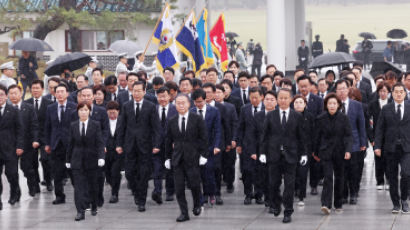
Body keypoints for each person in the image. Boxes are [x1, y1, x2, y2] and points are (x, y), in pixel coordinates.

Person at [259, 88, 307, 223]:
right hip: (274, 155)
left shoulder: (297, 116)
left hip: (291, 155)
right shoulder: (270, 115)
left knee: (290, 185)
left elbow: (301, 137)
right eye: (281, 98)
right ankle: (276, 203)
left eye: (286, 98)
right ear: (277, 100)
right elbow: (265, 136)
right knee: (273, 183)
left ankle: (288, 211)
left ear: (290, 99)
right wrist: (262, 152)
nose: (283, 100)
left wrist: (303, 154)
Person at [116, 81, 161, 212]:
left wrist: (157, 144)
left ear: (144, 91)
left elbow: (156, 127)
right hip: (129, 145)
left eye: (138, 91)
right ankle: (136, 191)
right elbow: (121, 127)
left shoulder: (151, 106)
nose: (136, 93)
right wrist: (119, 144)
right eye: (134, 91)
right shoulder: (126, 106)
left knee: (144, 174)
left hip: (145, 146)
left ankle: (142, 201)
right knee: (129, 173)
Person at [164, 94, 208, 222]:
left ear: (189, 104)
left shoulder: (197, 119)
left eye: (183, 103)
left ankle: (197, 204)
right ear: (175, 105)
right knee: (178, 188)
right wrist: (167, 158)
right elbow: (168, 140)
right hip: (177, 158)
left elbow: (204, 138)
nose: (181, 105)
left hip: (193, 157)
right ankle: (184, 212)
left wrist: (204, 155)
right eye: (178, 103)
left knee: (194, 185)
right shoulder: (172, 120)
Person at [374, 83, 410, 214]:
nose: (399, 94)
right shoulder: (386, 109)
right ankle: (395, 203)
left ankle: (404, 199)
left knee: (406, 173)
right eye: (396, 92)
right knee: (392, 177)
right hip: (390, 148)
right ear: (392, 93)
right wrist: (377, 146)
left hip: (407, 147)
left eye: (401, 92)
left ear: (405, 94)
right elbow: (380, 128)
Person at [314, 93, 352, 214]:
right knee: (328, 177)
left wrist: (348, 150)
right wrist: (315, 152)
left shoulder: (344, 118)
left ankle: (338, 203)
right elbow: (317, 137)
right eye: (329, 103)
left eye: (334, 103)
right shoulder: (320, 118)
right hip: (326, 152)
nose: (332, 106)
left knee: (340, 178)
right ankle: (326, 204)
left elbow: (348, 135)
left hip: (340, 151)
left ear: (338, 105)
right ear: (326, 105)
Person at [66, 102, 105, 221]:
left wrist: (101, 157)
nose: (83, 112)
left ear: (89, 112)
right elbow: (70, 144)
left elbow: (99, 142)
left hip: (92, 160)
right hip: (77, 160)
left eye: (86, 110)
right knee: (78, 187)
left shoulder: (95, 125)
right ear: (77, 112)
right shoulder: (73, 125)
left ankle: (94, 204)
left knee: (93, 185)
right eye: (81, 110)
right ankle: (80, 211)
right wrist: (68, 160)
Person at [335, 79, 366, 205]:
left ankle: (353, 193)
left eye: (344, 88)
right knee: (342, 170)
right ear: (336, 91)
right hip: (338, 142)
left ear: (348, 90)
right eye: (339, 89)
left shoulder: (357, 105)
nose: (341, 91)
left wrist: (363, 142)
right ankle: (343, 194)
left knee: (353, 169)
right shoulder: (333, 104)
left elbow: (361, 125)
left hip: (354, 141)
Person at [45, 83, 77, 205]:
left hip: (70, 146)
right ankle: (59, 196)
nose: (59, 94)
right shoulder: (51, 108)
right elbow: (47, 127)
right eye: (57, 91)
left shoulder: (74, 107)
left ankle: (80, 195)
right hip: (56, 145)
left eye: (62, 91)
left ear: (67, 93)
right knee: (57, 173)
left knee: (73, 172)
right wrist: (47, 143)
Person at [191, 88, 222, 206]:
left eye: (200, 101)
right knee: (198, 174)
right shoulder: (192, 111)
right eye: (196, 102)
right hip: (195, 148)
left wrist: (217, 145)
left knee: (209, 172)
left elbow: (218, 129)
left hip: (210, 146)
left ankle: (211, 193)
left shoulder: (214, 111)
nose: (198, 104)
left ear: (205, 100)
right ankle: (202, 195)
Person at [8, 85, 40, 197]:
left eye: (15, 93)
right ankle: (16, 192)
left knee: (26, 168)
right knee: (12, 171)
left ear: (21, 93)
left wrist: (35, 139)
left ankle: (32, 185)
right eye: (11, 93)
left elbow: (34, 125)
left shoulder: (29, 108)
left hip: (27, 143)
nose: (13, 96)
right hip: (11, 145)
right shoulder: (6, 109)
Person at [237, 87, 265, 205]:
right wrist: (238, 143)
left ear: (262, 97)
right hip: (247, 144)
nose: (253, 100)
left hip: (261, 145)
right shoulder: (245, 109)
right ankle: (248, 194)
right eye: (251, 97)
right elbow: (240, 127)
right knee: (247, 171)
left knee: (260, 171)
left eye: (256, 97)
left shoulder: (266, 109)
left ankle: (259, 194)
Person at [25, 80, 54, 192]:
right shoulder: (26, 103)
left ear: (42, 89)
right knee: (32, 162)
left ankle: (48, 180)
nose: (35, 90)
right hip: (31, 138)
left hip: (45, 137)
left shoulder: (49, 103)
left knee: (45, 160)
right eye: (33, 88)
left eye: (38, 88)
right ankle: (35, 183)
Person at [152, 86, 178, 204]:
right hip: (156, 146)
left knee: (170, 170)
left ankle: (169, 191)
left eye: (164, 96)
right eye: (160, 96)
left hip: (171, 145)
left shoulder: (175, 109)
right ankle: (157, 191)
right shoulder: (153, 109)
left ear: (169, 96)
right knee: (157, 170)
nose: (162, 99)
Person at [0, 84, 24, 210]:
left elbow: (20, 130)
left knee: (11, 174)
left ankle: (14, 192)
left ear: (6, 96)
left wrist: (20, 146)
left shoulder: (13, 110)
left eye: (2, 95)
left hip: (10, 148)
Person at [215, 84, 238, 194]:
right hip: (217, 141)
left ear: (224, 94)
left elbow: (234, 124)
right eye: (215, 92)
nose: (217, 95)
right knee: (218, 166)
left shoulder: (230, 107)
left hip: (228, 140)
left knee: (229, 164)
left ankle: (230, 183)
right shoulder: (211, 107)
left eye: (219, 92)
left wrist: (233, 139)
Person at [292, 95, 315, 206]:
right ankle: (294, 190)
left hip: (305, 148)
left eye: (301, 102)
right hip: (292, 148)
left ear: (305, 104)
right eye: (296, 102)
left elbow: (313, 133)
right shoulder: (290, 115)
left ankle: (302, 195)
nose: (298, 104)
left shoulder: (310, 116)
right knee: (292, 172)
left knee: (303, 172)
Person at [368, 82, 391, 190]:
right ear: (378, 92)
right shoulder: (373, 104)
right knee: (378, 158)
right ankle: (380, 181)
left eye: (385, 91)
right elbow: (369, 122)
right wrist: (372, 139)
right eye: (381, 91)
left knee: (390, 159)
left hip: (390, 136)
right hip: (377, 136)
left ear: (388, 93)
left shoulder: (391, 103)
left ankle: (389, 181)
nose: (383, 93)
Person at [105, 101, 123, 203]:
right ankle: (113, 185)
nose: (112, 115)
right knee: (108, 174)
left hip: (118, 151)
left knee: (115, 172)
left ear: (118, 112)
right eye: (110, 113)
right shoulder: (104, 121)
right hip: (107, 151)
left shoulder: (122, 121)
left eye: (114, 113)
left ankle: (114, 194)